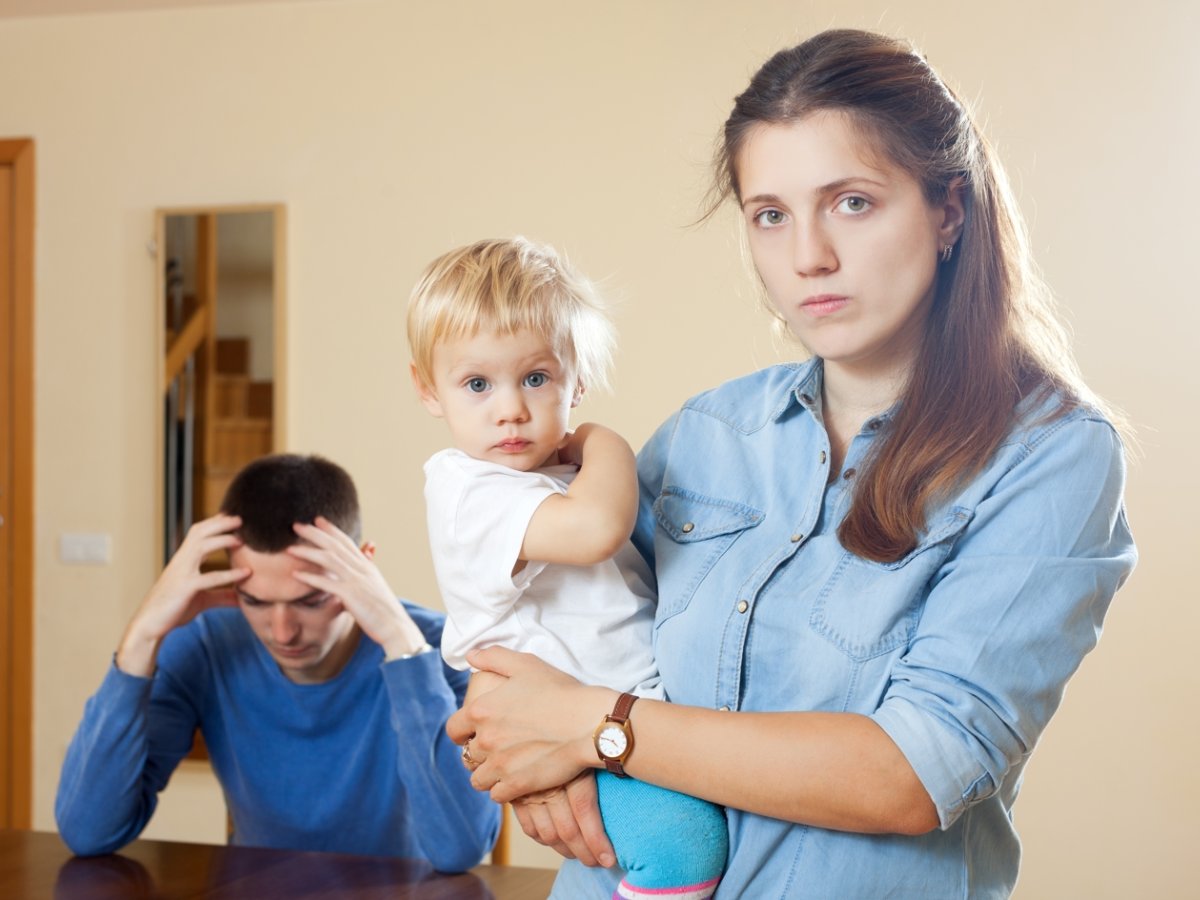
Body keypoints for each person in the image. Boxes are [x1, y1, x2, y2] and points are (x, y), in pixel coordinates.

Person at [444, 29, 1138, 898]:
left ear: (949, 210)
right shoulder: (707, 432)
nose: (808, 255)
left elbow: (916, 772)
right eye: (770, 214)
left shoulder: (1051, 455)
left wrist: (597, 730)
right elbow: (544, 632)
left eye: (851, 202)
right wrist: (531, 764)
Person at [408, 237, 727, 898]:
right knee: (686, 849)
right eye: (476, 384)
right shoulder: (467, 489)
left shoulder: (550, 481)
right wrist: (603, 441)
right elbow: (595, 529)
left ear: (576, 378)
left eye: (535, 378)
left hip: (617, 724)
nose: (511, 409)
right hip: (574, 736)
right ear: (427, 389)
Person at [56, 454, 499, 871]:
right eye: (255, 601)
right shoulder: (206, 645)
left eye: (310, 600)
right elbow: (89, 832)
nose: (283, 631)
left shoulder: (441, 648)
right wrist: (142, 637)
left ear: (361, 566)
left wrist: (403, 645)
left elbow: (461, 847)